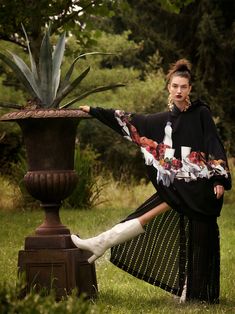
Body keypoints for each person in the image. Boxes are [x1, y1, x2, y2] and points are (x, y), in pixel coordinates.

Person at [71, 59, 232, 303]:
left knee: (199, 240)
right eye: (175, 86)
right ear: (168, 87)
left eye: (184, 87)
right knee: (147, 215)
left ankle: (196, 294)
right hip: (177, 187)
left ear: (190, 89)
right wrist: (94, 111)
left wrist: (219, 177)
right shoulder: (162, 120)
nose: (179, 91)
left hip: (200, 188)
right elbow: (131, 121)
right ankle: (100, 243)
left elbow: (213, 143)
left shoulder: (201, 113)